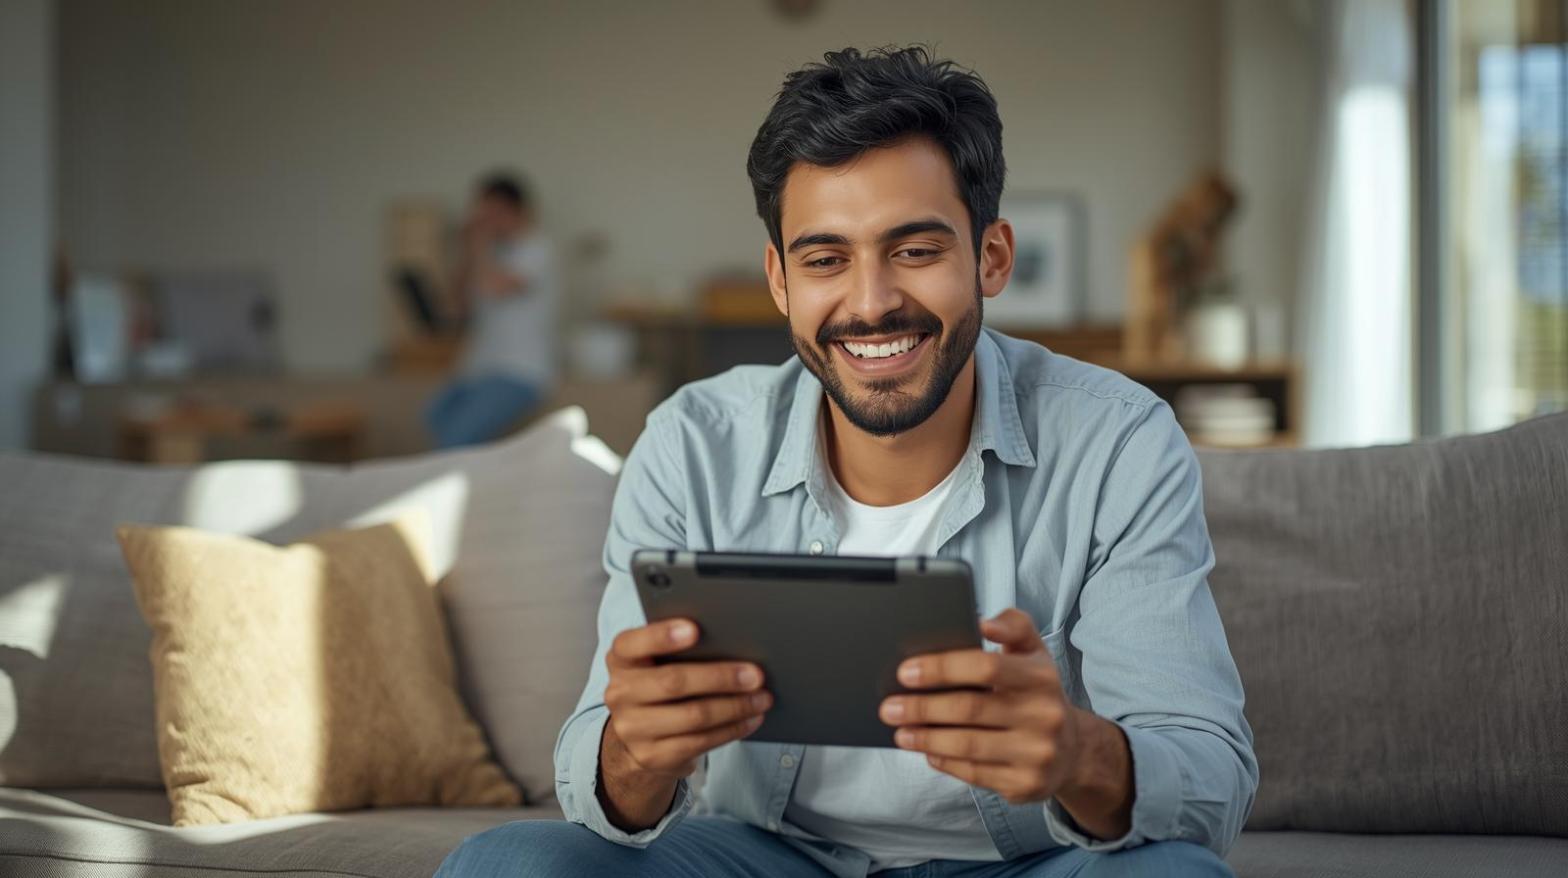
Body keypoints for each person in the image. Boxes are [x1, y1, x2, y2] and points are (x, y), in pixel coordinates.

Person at [438, 47, 1256, 877]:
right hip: (764, 858)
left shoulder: (1119, 442)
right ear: (780, 280)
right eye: (825, 259)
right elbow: (597, 781)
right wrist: (636, 753)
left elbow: (1211, 780)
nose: (870, 303)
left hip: (1038, 863)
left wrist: (1079, 754)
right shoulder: (691, 445)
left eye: (916, 250)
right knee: (508, 865)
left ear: (992, 257)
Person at [424, 173, 560, 448]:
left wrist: (479, 243)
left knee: (456, 438)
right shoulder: (490, 254)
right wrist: (467, 252)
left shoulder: (537, 248)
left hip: (519, 370)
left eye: (492, 213)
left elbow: (494, 288)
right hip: (477, 368)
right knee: (434, 417)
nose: (485, 221)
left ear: (516, 210)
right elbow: (455, 308)